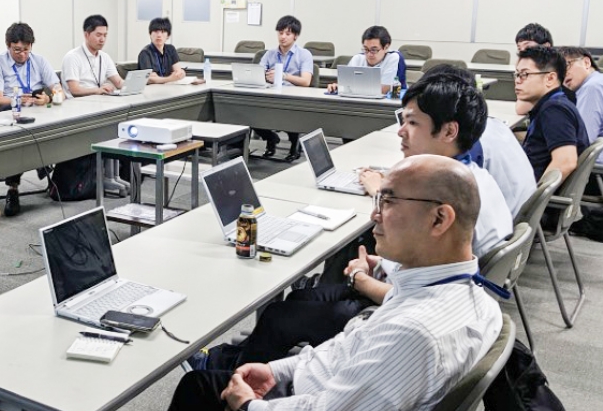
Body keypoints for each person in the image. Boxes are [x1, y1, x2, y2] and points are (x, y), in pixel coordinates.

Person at [108, 154, 503, 411]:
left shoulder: (416, 332)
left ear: (439, 219)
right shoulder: (467, 295)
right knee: (196, 386)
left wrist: (250, 407)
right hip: (320, 408)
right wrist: (277, 370)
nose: (375, 215)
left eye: (388, 201)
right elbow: (347, 350)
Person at [191, 71, 512, 373]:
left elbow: (429, 298)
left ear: (449, 132)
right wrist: (380, 263)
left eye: (412, 122)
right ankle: (232, 360)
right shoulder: (469, 180)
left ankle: (231, 375)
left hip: (396, 312)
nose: (401, 130)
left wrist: (361, 279)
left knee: (283, 315)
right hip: (405, 291)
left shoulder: (453, 201)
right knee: (299, 300)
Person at [424, 64, 535, 217]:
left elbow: (445, 192)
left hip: (504, 220)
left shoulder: (468, 140)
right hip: (520, 212)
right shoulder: (494, 124)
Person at [0, 22, 63, 217]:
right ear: (8, 45)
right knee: (19, 139)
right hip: (9, 112)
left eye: (26, 50)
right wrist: (17, 99)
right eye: (17, 50)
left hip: (38, 111)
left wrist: (49, 98)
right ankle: (13, 188)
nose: (22, 55)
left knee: (57, 127)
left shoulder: (39, 61)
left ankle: (47, 166)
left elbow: (57, 89)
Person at [515, 47, 590, 181]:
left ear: (550, 78)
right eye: (517, 74)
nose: (518, 80)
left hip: (529, 188)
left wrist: (536, 193)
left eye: (525, 74)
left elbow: (566, 162)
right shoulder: (555, 102)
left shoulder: (554, 110)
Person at [253, 15, 314, 162]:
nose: (283, 37)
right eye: (280, 33)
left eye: (287, 33)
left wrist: (284, 76)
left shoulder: (304, 54)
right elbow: (257, 73)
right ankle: (270, 137)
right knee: (251, 111)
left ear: (295, 36)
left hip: (293, 97)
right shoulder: (270, 54)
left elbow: (306, 81)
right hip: (271, 93)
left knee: (288, 114)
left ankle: (294, 144)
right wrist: (266, 76)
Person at [62, 14, 124, 97]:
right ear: (86, 35)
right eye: (98, 35)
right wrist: (98, 90)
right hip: (77, 102)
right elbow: (74, 90)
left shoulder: (104, 57)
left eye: (105, 35)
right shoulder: (72, 57)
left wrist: (133, 86)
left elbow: (118, 82)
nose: (102, 39)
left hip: (99, 100)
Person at [327, 25, 400, 95]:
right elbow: (346, 85)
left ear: (386, 47)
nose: (369, 54)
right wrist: (338, 87)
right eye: (366, 49)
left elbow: (384, 89)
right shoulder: (358, 58)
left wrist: (353, 88)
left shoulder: (392, 58)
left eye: (374, 50)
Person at [137, 17, 186, 84]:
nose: (159, 35)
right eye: (156, 31)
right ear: (150, 34)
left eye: (163, 32)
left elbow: (178, 71)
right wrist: (170, 78)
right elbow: (151, 79)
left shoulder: (171, 49)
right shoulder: (145, 53)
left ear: (168, 35)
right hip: (152, 89)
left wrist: (181, 73)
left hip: (169, 87)